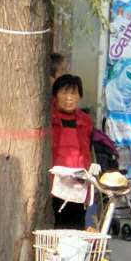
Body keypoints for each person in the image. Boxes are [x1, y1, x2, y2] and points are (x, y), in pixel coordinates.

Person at [50, 74, 93, 230]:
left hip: (78, 184)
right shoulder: (48, 118)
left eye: (73, 93)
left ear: (79, 96)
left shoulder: (85, 121)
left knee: (76, 229)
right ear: (55, 95)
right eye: (64, 92)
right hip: (53, 184)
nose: (69, 98)